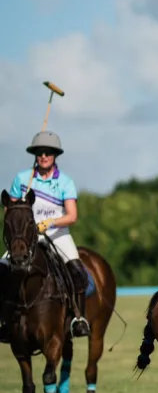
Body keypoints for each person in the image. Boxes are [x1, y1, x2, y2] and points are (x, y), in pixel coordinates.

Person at [1, 131, 90, 338]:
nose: (43, 156)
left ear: (55, 155)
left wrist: (49, 222)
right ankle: (5, 319)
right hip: (26, 237)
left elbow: (72, 215)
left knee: (77, 270)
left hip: (57, 233)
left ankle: (79, 318)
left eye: (48, 152)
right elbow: (10, 211)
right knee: (2, 269)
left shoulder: (65, 182)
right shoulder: (23, 179)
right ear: (35, 155)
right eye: (40, 152)